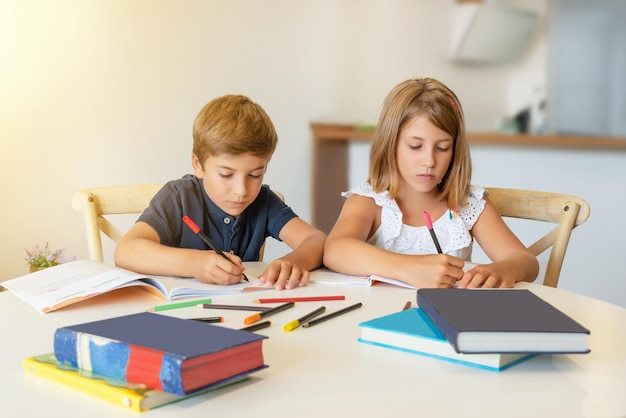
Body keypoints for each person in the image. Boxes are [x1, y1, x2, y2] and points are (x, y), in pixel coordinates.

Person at [323, 78, 538, 289]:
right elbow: (336, 250)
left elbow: (526, 261)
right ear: (391, 144)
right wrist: (410, 269)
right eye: (415, 146)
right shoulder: (371, 201)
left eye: (443, 148)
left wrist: (504, 269)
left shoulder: (468, 204)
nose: (429, 161)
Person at [115, 94, 326, 290]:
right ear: (198, 164)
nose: (241, 191)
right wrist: (194, 264)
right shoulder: (178, 197)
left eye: (254, 175)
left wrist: (294, 261)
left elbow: (317, 240)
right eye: (226, 175)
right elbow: (127, 251)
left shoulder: (264, 202)